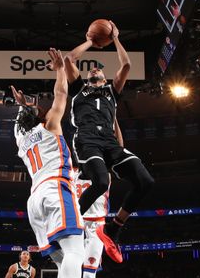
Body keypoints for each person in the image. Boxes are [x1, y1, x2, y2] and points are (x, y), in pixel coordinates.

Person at [9, 48, 106, 278]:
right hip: (56, 189)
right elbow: (61, 92)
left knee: (67, 259)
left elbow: (21, 121)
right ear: (37, 115)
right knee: (77, 252)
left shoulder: (21, 140)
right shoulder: (50, 123)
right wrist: (60, 68)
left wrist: (23, 107)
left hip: (34, 201)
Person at [64, 22, 154, 263]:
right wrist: (91, 42)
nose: (94, 70)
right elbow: (69, 59)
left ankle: (114, 228)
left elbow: (126, 65)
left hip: (110, 142)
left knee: (145, 181)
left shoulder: (112, 92)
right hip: (86, 139)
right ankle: (72, 221)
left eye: (98, 71)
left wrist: (115, 38)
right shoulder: (78, 89)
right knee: (102, 182)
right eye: (91, 70)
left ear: (104, 78)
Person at [74, 168, 109, 278]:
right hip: (77, 226)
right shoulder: (71, 172)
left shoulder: (102, 170)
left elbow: (117, 151)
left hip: (96, 227)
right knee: (68, 273)